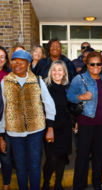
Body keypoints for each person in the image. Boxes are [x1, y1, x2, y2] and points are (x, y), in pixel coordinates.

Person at [0, 50, 56, 190]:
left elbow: (49, 104)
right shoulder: (5, 82)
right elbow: (2, 109)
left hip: (36, 131)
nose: (17, 64)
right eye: (14, 61)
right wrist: (1, 135)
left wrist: (50, 128)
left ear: (28, 64)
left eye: (21, 61)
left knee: (34, 166)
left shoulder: (37, 80)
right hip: (14, 133)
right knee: (20, 167)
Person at [67, 52, 102, 190]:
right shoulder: (79, 79)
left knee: (99, 156)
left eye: (98, 64)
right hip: (86, 122)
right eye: (92, 64)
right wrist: (81, 96)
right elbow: (69, 95)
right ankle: (79, 186)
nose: (95, 66)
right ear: (87, 65)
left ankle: (97, 184)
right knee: (83, 155)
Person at [42, 60, 72, 190]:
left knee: (61, 157)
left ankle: (58, 184)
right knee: (51, 159)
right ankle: (46, 183)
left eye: (60, 70)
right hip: (50, 127)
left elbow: (71, 106)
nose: (57, 72)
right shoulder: (44, 86)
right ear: (50, 72)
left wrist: (74, 121)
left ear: (64, 73)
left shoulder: (68, 87)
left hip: (64, 127)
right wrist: (49, 127)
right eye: (54, 70)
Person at [0, 46, 12, 190]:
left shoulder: (9, 76)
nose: (0, 59)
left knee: (5, 156)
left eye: (3, 56)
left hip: (5, 122)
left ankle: (6, 187)